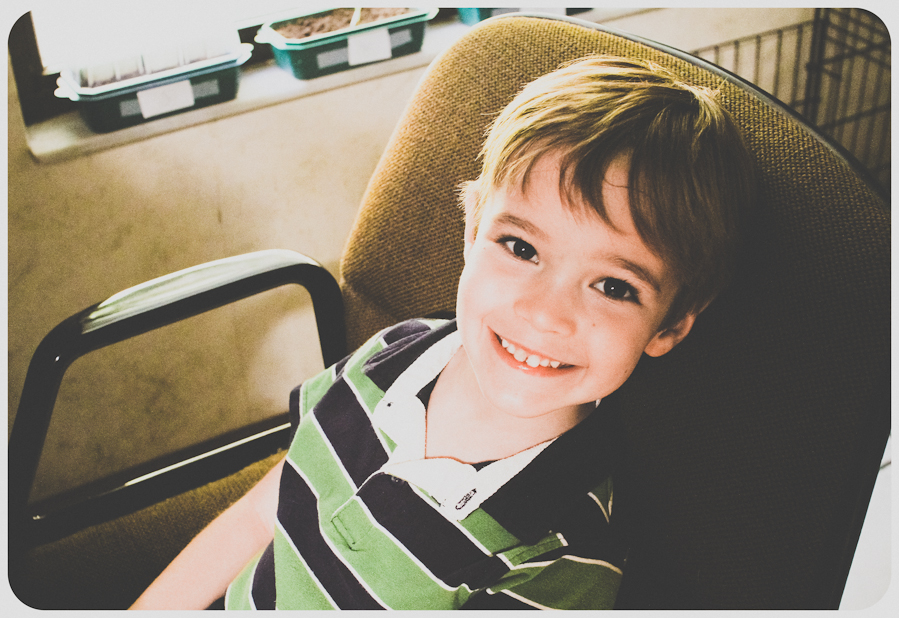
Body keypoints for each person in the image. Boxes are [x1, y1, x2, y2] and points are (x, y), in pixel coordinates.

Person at [130, 55, 755, 610]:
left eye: (614, 286)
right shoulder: (389, 355)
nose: (544, 313)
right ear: (472, 232)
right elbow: (263, 513)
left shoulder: (560, 553)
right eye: (521, 247)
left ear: (669, 325)